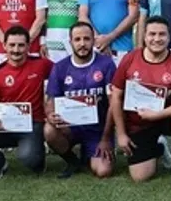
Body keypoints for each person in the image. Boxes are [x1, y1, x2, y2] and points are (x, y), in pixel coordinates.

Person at [109, 16, 171, 187]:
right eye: (152, 34)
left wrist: (157, 115)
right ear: (144, 36)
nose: (157, 39)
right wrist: (121, 134)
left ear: (169, 37)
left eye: (162, 34)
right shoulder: (130, 59)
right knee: (140, 176)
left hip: (166, 118)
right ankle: (159, 147)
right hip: (138, 123)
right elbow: (116, 96)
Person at [0, 26, 55, 178]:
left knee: (30, 159)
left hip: (33, 125)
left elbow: (62, 76)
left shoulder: (42, 64)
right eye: (12, 45)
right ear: (4, 46)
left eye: (21, 45)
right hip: (5, 125)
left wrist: (54, 103)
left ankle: (37, 157)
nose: (16, 50)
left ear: (28, 46)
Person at [43, 21, 118, 179]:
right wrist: (50, 115)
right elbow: (50, 100)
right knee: (49, 131)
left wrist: (106, 138)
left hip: (98, 130)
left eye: (86, 39)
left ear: (93, 40)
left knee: (103, 171)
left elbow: (114, 104)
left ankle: (89, 152)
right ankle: (72, 161)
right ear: (70, 42)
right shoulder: (60, 67)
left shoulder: (106, 64)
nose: (82, 44)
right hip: (70, 127)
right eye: (77, 39)